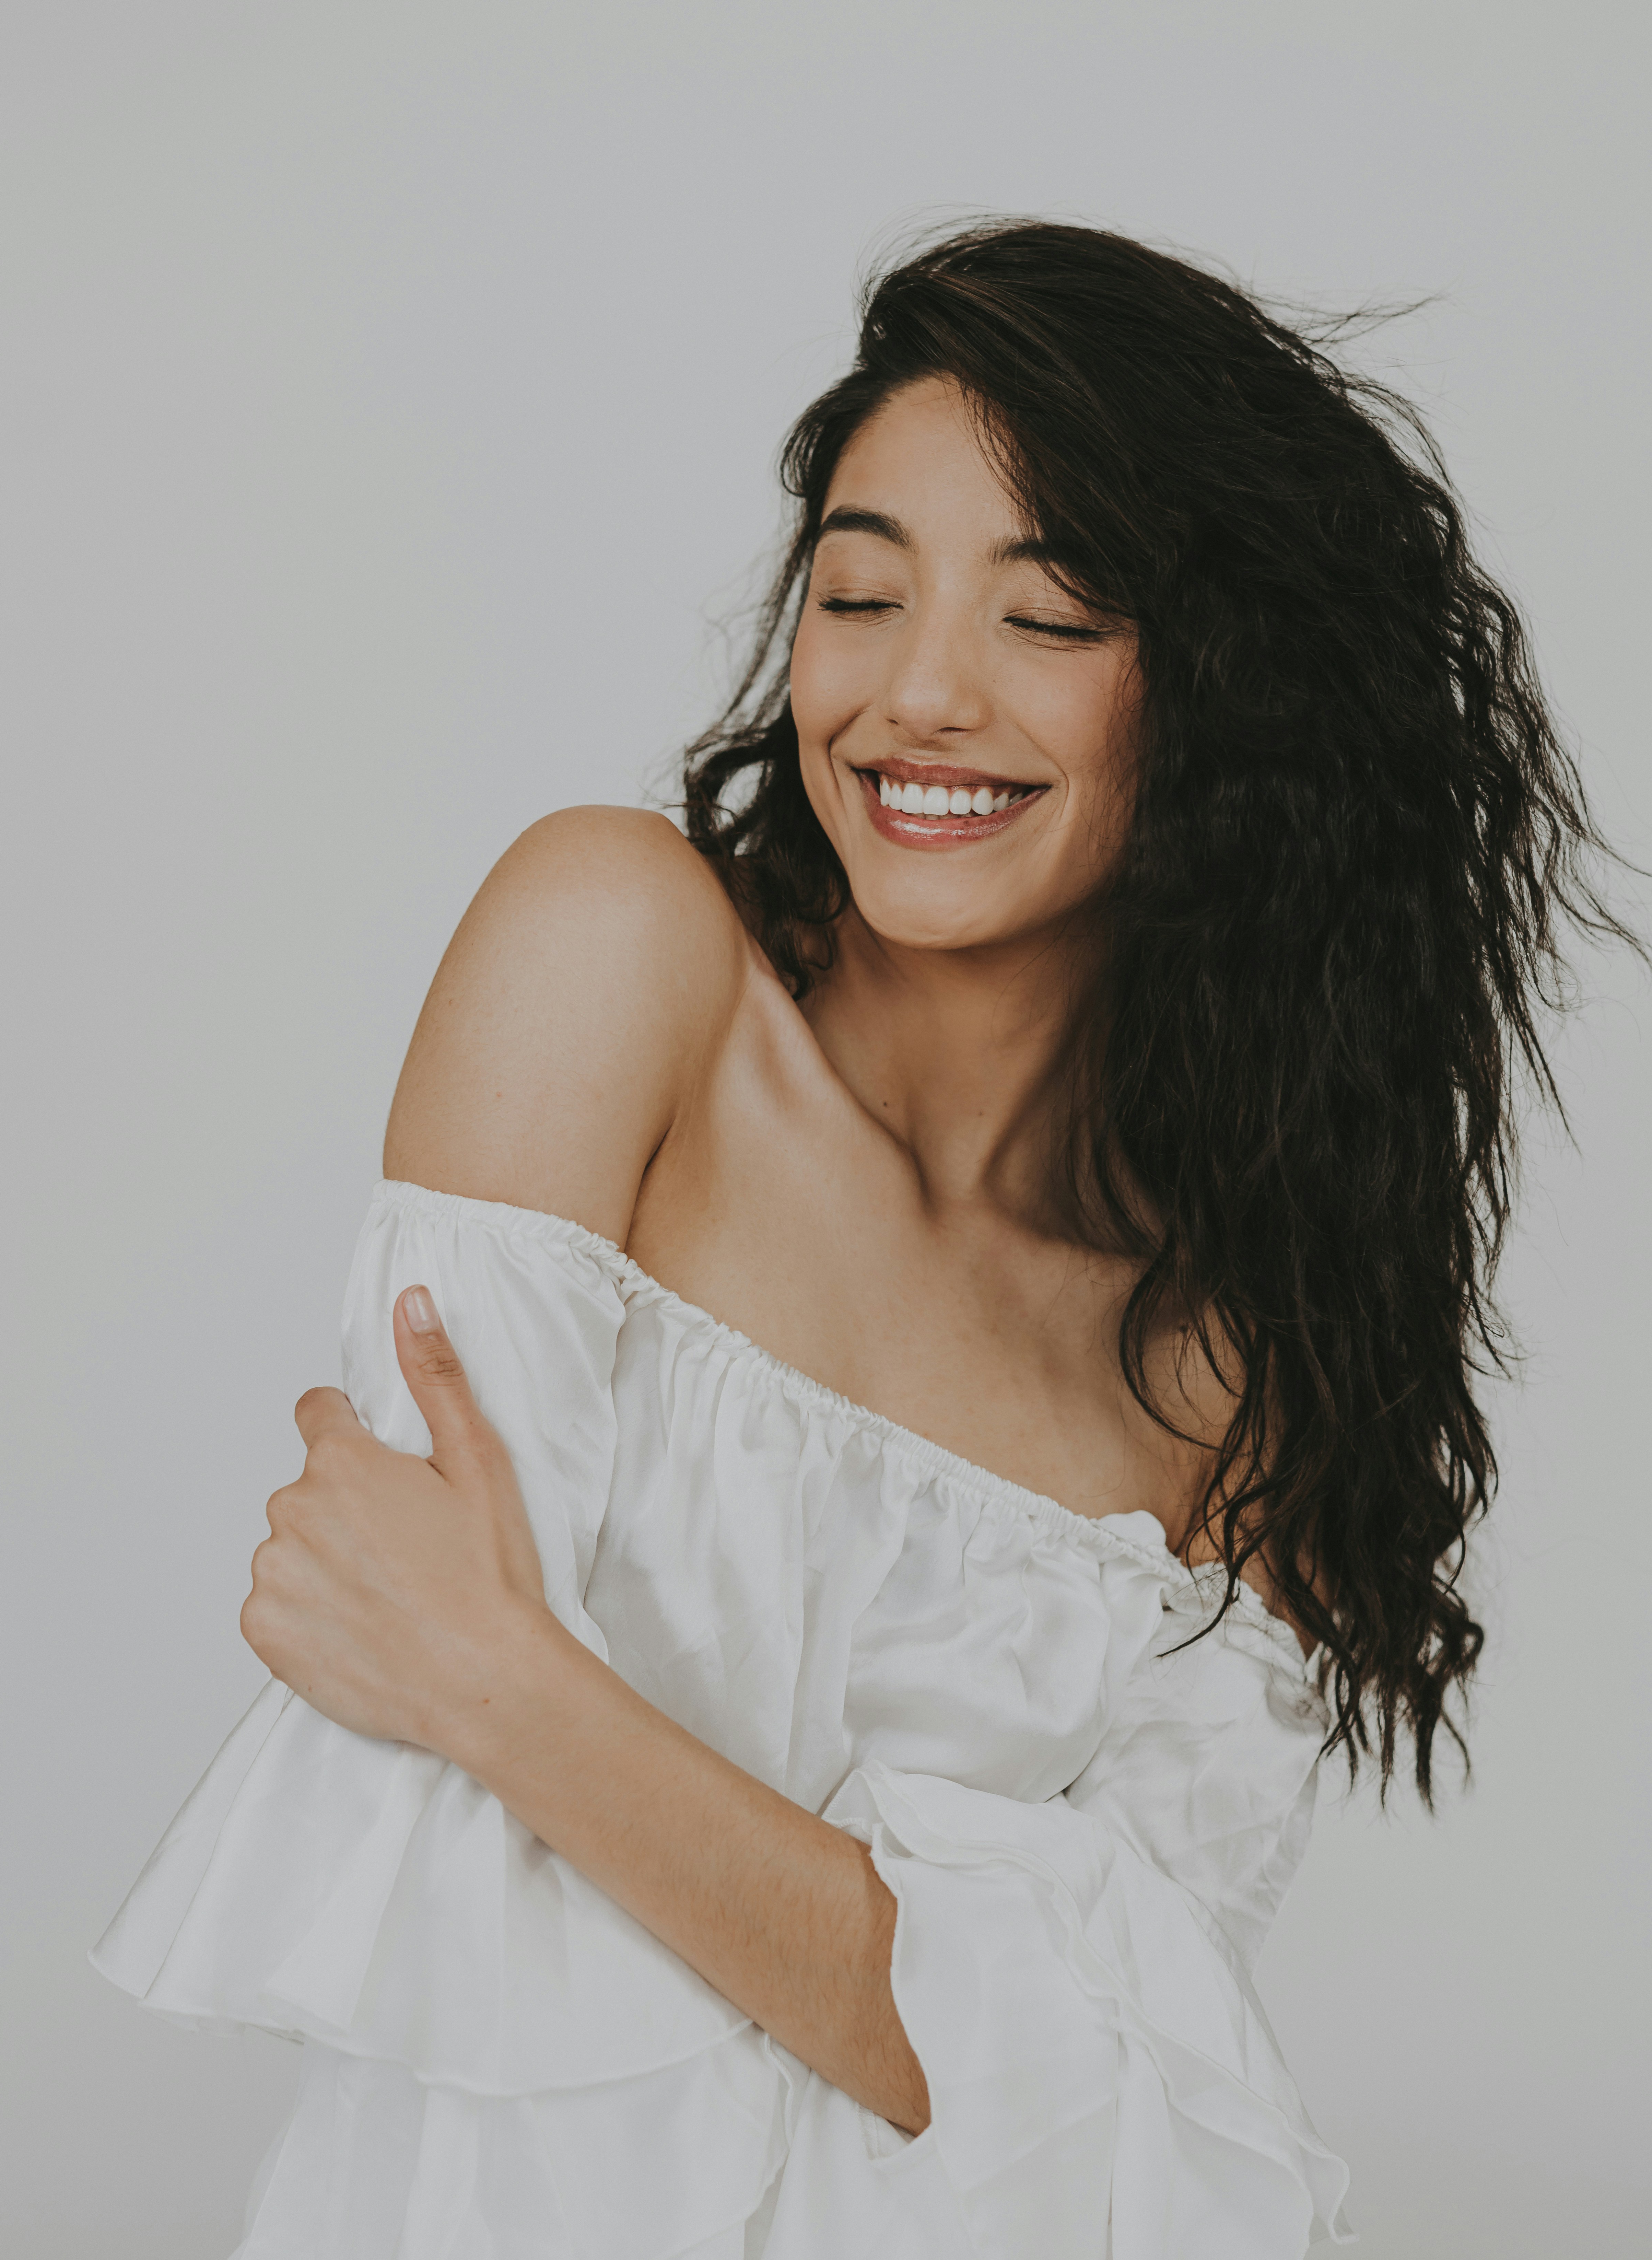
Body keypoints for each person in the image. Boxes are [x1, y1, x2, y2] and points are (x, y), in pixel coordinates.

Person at [92, 221, 1627, 2258]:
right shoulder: (609, 951)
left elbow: (1091, 2098)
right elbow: (444, 1852)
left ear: (1220, 688)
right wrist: (868, 1942)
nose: (919, 692)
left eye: (1051, 613)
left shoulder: (1228, 1370)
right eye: (861, 589)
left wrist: (511, 1681)